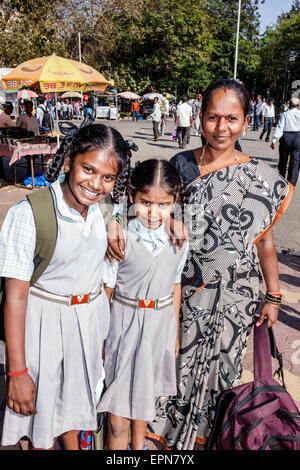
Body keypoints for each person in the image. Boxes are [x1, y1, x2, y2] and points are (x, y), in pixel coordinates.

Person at [145, 79, 293, 449]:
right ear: (200, 118)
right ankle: (167, 444)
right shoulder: (179, 166)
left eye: (231, 118)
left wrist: (273, 295)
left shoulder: (262, 178)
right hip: (183, 293)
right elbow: (148, 211)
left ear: (245, 122)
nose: (221, 127)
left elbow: (265, 242)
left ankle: (207, 441)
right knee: (173, 373)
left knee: (220, 382)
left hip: (235, 300)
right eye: (213, 117)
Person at [0, 123, 132, 450]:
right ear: (70, 159)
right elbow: (15, 296)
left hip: (88, 327)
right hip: (42, 326)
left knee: (75, 413)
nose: (96, 184)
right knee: (38, 421)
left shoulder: (106, 211)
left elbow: (157, 202)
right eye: (88, 169)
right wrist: (17, 373)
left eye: (108, 177)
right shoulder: (30, 214)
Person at [98, 159, 189, 450]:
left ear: (175, 202)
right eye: (145, 202)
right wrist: (101, 335)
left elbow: (176, 283)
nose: (153, 212)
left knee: (144, 398)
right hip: (123, 327)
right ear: (132, 196)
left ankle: (138, 448)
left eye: (164, 205)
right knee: (117, 417)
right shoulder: (120, 236)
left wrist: (173, 331)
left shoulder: (179, 237)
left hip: (159, 326)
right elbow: (107, 290)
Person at [272, 97, 300, 186]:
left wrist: (274, 140)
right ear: (298, 106)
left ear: (290, 105)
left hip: (286, 137)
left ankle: (281, 179)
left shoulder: (285, 114)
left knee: (283, 159)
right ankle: (291, 184)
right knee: (295, 161)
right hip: (298, 138)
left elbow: (280, 127)